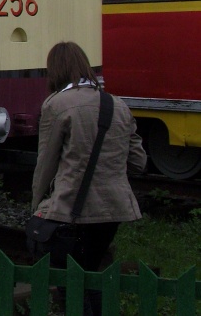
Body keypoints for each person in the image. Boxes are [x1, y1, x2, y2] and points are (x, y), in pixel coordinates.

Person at [32, 41, 146, 315]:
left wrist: (36, 206)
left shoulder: (56, 105)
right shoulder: (117, 105)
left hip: (71, 209)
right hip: (113, 210)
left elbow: (45, 165)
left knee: (69, 281)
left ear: (55, 70)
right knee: (90, 274)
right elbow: (139, 162)